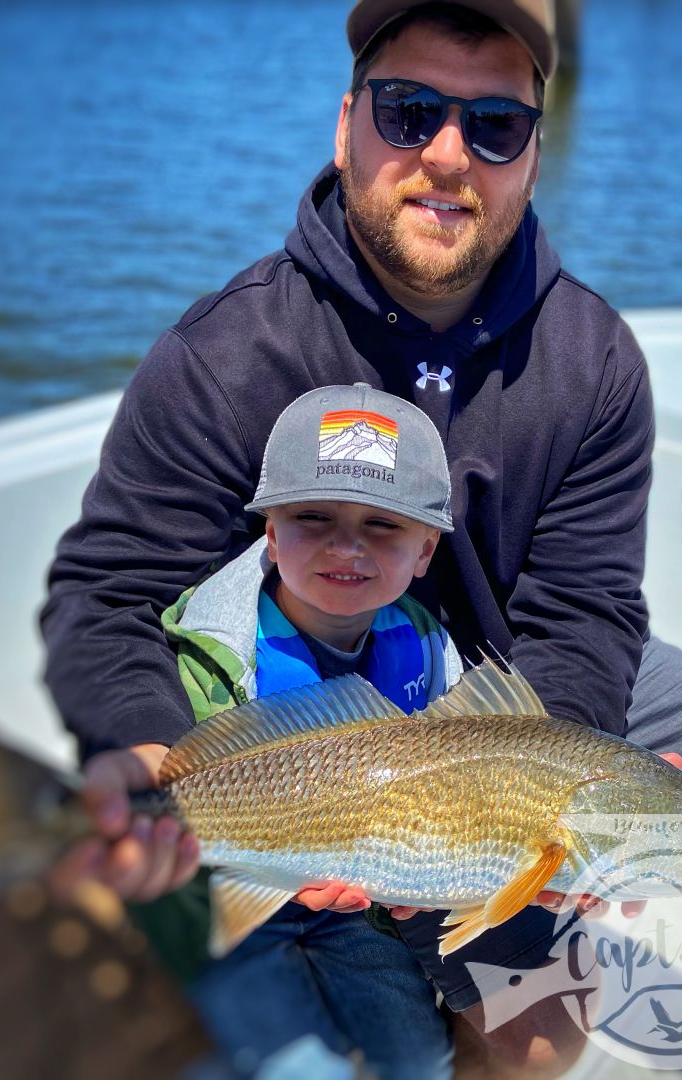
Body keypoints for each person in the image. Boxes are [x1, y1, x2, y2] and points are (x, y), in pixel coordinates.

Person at [41, 3, 682, 1078]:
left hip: (528, 688)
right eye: (410, 109)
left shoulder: (597, 357)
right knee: (538, 1032)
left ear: (533, 149)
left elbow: (586, 611)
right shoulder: (226, 352)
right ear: (346, 125)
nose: (445, 154)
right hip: (313, 666)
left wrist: (549, 780)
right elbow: (106, 595)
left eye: (494, 126)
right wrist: (156, 755)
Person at [159, 381, 460, 1077]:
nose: (347, 545)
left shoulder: (426, 645)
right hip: (223, 887)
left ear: (426, 551)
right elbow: (178, 781)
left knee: (420, 1061)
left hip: (355, 904)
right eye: (313, 516)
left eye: (384, 524)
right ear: (269, 530)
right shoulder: (216, 652)